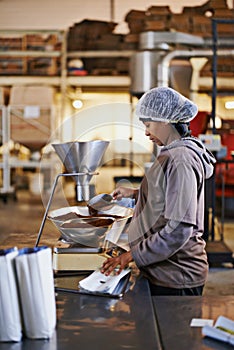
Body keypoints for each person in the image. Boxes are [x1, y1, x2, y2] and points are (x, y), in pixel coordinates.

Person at [101, 86, 216, 296]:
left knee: (170, 330)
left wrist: (130, 256)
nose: (146, 132)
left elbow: (179, 229)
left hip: (176, 274)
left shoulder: (181, 159)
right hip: (162, 269)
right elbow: (166, 196)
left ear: (166, 120)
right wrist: (136, 194)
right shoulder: (172, 153)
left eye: (148, 124)